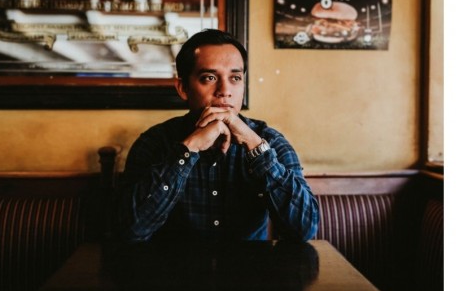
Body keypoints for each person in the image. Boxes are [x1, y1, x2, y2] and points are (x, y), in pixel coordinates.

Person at [120, 29, 319, 242]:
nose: (225, 90)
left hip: (249, 272)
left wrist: (254, 146)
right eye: (209, 77)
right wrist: (188, 149)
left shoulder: (269, 141)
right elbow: (130, 230)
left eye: (235, 78)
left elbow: (305, 229)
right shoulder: (154, 143)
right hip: (174, 272)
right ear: (183, 88)